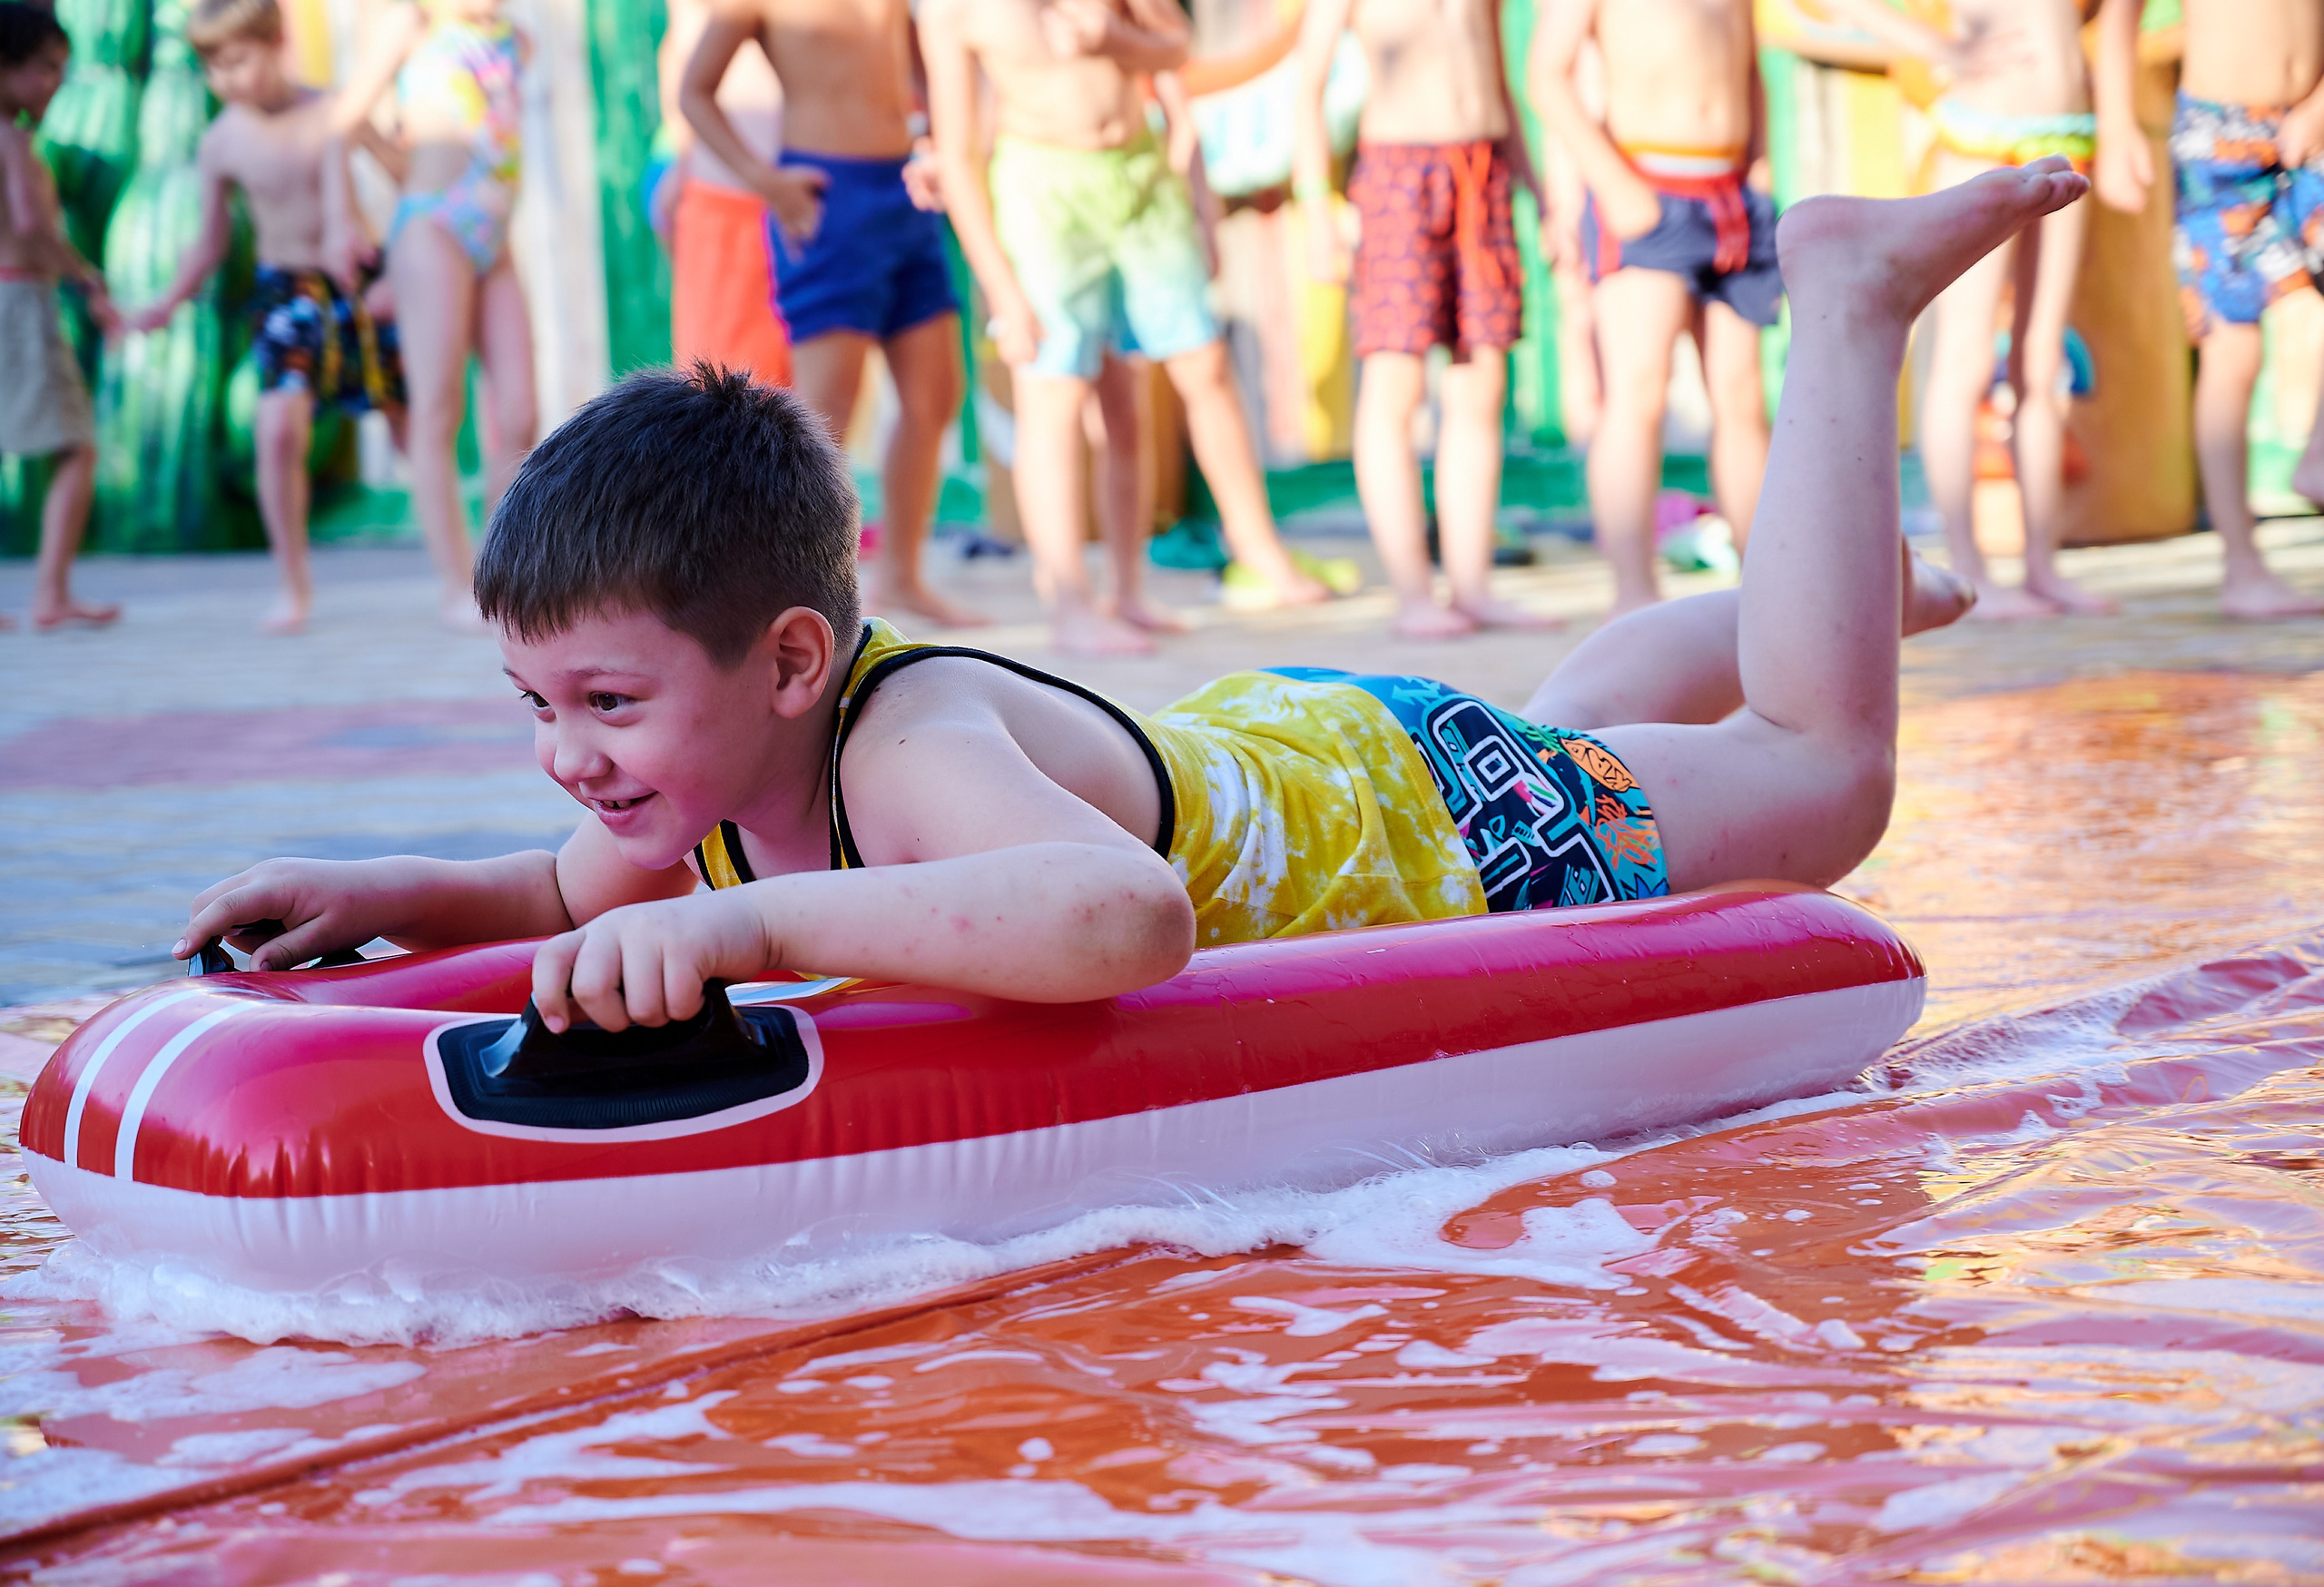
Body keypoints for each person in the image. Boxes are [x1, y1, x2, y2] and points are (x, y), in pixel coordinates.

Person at [172, 162, 2089, 1034]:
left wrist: (747, 937)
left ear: (789, 660)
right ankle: (1827, 583)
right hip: (1300, 749)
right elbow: (545, 897)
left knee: (1815, 776)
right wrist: (381, 893)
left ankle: (1841, 304)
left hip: (1434, 827)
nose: (567, 758)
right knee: (1579, 719)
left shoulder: (901, 738)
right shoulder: (701, 781)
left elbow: (1125, 912)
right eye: (536, 707)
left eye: (602, 702)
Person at [921, 0, 1337, 656]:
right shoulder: (954, 14)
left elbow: (1175, 51)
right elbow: (959, 157)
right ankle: (1069, 602)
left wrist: (1114, 36)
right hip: (1045, 191)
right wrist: (1001, 284)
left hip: (1141, 175)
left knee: (1190, 372)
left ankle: (1178, 575)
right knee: (1054, 394)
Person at [679, 0, 986, 631]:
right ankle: (799, 594)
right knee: (825, 414)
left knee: (936, 394)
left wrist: (934, 142)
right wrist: (765, 180)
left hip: (904, 191)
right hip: (826, 198)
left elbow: (923, 70)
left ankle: (900, 575)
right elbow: (694, 93)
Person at [1820, 0, 2113, 620]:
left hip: (2069, 132)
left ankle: (2042, 565)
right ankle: (1968, 567)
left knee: (2042, 357)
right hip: (1983, 130)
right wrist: (1944, 51)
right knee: (1966, 356)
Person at [126, 0, 405, 636]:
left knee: (410, 422)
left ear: (276, 40)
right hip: (284, 289)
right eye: (212, 68)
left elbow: (388, 178)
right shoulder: (222, 140)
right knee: (278, 430)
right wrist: (167, 301)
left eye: (237, 60)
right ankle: (292, 583)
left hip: (355, 281)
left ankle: (466, 570)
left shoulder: (332, 108)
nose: (225, 79)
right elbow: (210, 241)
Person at [1294, 0, 1548, 637]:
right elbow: (1307, 85)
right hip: (1400, 174)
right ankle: (1412, 591)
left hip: (1483, 169)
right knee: (1395, 385)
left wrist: (1539, 192)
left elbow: (1497, 78)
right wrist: (1317, 214)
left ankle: (1472, 585)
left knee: (1481, 380)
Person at [1531, 0, 1776, 616]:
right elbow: (1546, 76)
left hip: (1730, 192)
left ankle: (1767, 582)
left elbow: (1746, 61)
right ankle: (1633, 593)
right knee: (1639, 392)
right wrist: (1610, 182)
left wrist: (1763, 165)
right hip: (1644, 184)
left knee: (1743, 396)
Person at [2093, 0, 2324, 620]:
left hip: (2312, 115)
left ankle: (2318, 452)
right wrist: (2115, 131)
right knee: (2231, 351)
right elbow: (2120, 16)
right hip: (2218, 140)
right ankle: (2243, 568)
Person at [331, 0, 535, 629]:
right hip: (432, 224)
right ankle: (455, 584)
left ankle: (497, 576)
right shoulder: (412, 23)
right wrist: (346, 219)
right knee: (439, 405)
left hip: (493, 232)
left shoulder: (517, 38)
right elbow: (341, 126)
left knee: (522, 412)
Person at [0, 1, 120, 632]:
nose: (55, 83)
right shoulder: (11, 136)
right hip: (21, 300)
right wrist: (84, 272)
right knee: (75, 448)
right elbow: (30, 223)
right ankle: (50, 592)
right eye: (43, 68)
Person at [653, 0, 790, 389]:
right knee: (723, 398)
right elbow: (680, 52)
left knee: (812, 406)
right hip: (727, 198)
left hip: (801, 195)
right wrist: (681, 154)